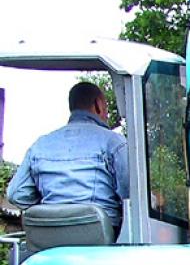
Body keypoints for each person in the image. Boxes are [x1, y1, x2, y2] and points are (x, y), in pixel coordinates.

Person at [6, 81, 128, 233]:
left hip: (50, 240)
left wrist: (52, 207)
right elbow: (132, 193)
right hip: (101, 240)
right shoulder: (114, 142)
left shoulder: (40, 144)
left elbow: (16, 194)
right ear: (98, 105)